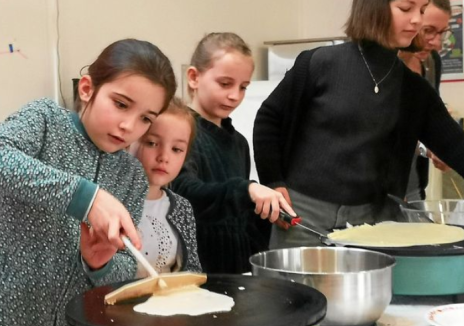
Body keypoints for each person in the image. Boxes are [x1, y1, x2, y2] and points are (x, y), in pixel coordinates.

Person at [0, 38, 176, 326]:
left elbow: (123, 271)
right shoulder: (45, 120)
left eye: (145, 119)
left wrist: (100, 263)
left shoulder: (132, 176)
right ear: (87, 89)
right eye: (121, 104)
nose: (129, 126)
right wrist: (87, 198)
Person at [253, 0, 464, 249]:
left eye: (421, 9)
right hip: (303, 218)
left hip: (373, 223)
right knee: (299, 289)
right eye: (406, 9)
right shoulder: (320, 63)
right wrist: (274, 183)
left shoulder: (415, 91)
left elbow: (456, 147)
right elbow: (268, 120)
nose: (417, 19)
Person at [171, 32, 295, 274]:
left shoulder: (238, 143)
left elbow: (240, 218)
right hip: (198, 270)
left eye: (243, 87)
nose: (234, 96)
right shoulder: (181, 134)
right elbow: (184, 194)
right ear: (194, 77)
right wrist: (246, 189)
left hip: (238, 270)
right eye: (225, 84)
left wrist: (266, 214)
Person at [81, 98, 202, 276]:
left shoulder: (182, 208)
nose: (164, 157)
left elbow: (193, 271)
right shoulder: (105, 205)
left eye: (176, 149)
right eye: (152, 143)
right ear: (128, 142)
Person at [399, 0, 452, 201]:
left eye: (442, 33)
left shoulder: (432, 62)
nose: (437, 43)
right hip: (380, 193)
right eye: (429, 30)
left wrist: (441, 144)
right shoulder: (381, 69)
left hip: (414, 185)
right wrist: (427, 147)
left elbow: (429, 119)